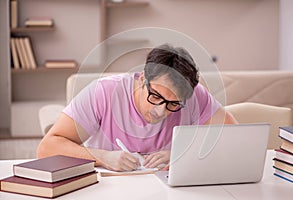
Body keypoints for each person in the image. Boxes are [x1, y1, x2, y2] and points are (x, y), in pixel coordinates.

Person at [37, 44, 237, 171]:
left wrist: (182, 152)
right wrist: (102, 157)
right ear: (143, 78)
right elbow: (47, 147)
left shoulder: (193, 95)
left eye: (173, 104)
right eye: (156, 96)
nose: (161, 111)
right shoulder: (104, 92)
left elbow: (234, 136)